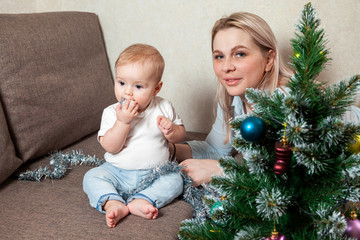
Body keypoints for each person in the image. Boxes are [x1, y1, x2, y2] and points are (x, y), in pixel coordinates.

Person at [172, 12, 294, 186]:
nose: (226, 67)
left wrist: (222, 171)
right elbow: (215, 150)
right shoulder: (234, 99)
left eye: (240, 54)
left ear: (268, 60)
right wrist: (170, 150)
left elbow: (295, 177)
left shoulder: (289, 102)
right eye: (219, 56)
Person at [83, 44, 186, 228]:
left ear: (156, 89)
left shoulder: (163, 107)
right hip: (117, 172)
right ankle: (113, 202)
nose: (127, 92)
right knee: (92, 176)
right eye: (121, 83)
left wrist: (171, 131)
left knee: (176, 179)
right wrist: (122, 122)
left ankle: (143, 200)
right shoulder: (111, 112)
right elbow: (111, 147)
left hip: (156, 173)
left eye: (138, 86)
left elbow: (180, 134)